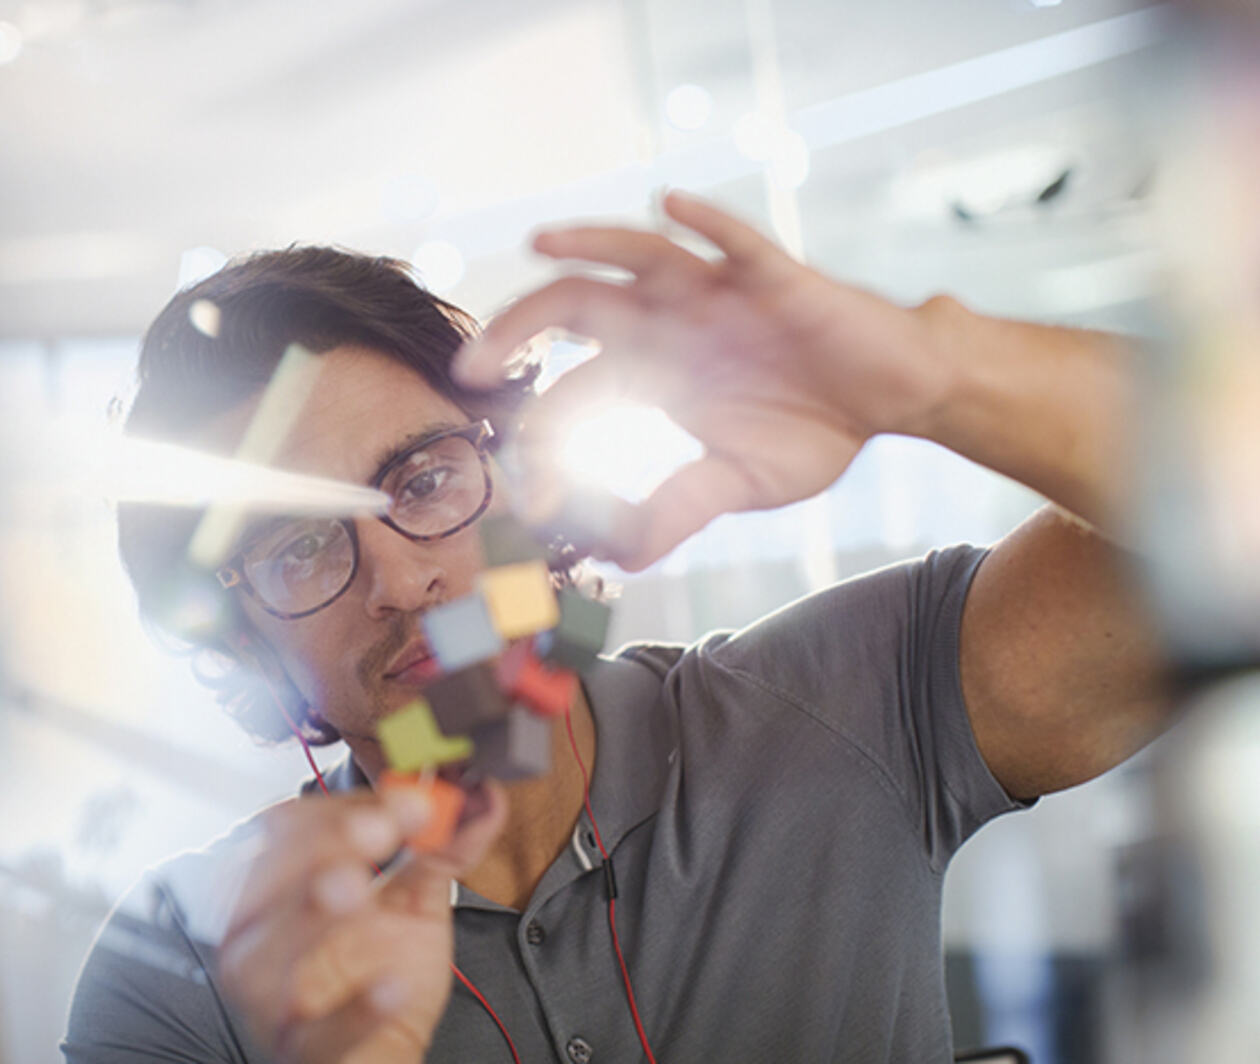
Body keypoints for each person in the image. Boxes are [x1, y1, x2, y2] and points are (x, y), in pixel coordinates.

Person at [63, 192, 1171, 1063]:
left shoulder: (837, 706)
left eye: (424, 477)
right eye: (296, 545)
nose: (398, 580)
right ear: (249, 639)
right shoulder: (189, 973)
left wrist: (929, 376)